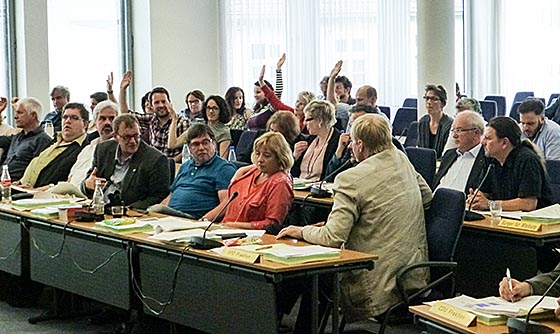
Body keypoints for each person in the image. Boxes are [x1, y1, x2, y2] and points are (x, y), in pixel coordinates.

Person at [277, 114, 432, 330]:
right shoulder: (400, 158)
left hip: (376, 278)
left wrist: (301, 231)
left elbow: (332, 238)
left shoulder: (350, 179)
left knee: (307, 273)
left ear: (359, 144)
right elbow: (427, 198)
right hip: (412, 271)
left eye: (351, 142)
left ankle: (282, 325)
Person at [149, 124, 236, 220]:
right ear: (189, 149)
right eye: (196, 144)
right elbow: (171, 196)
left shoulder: (224, 168)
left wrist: (203, 221)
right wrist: (156, 217)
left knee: (157, 209)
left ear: (214, 144)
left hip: (193, 220)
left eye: (206, 142)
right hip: (170, 218)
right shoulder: (185, 166)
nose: (201, 148)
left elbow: (227, 203)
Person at [82, 114, 169, 210]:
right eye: (127, 137)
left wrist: (128, 209)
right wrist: (87, 184)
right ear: (115, 137)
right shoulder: (103, 150)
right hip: (100, 208)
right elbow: (87, 183)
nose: (133, 141)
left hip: (130, 213)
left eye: (136, 136)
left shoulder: (155, 159)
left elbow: (158, 197)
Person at [467, 116, 553, 211]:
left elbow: (528, 204)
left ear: (504, 143)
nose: (483, 142)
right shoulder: (491, 159)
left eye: (488, 138)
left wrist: (490, 204)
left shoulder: (528, 160)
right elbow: (485, 191)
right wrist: (476, 198)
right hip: (501, 218)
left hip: (533, 221)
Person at [220, 132, 294, 233]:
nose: (260, 160)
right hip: (226, 229)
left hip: (250, 237)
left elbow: (272, 224)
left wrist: (235, 226)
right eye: (258, 154)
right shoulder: (254, 171)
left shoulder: (280, 183)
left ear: (280, 158)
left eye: (267, 156)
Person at [19, 103, 89, 188]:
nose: (68, 121)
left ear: (85, 124)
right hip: (21, 188)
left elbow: (69, 184)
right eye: (65, 117)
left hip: (42, 196)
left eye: (74, 118)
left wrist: (36, 190)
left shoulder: (84, 150)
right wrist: (18, 184)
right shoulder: (53, 141)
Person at [433, 111, 490, 193]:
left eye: (459, 130)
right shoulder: (449, 155)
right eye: (453, 130)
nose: (454, 135)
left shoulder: (486, 159)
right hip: (435, 202)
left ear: (476, 133)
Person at [67, 100, 118, 187]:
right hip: (69, 195)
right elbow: (70, 179)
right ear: (95, 123)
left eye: (112, 119)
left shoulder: (120, 150)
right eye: (102, 118)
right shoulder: (87, 149)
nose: (107, 123)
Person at [132, 86, 189, 162]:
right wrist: (122, 90)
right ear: (151, 106)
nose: (161, 105)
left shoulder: (182, 122)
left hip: (174, 165)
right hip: (153, 164)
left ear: (170, 103)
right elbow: (127, 113)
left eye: (164, 101)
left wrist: (170, 163)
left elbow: (187, 149)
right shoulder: (152, 119)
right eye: (156, 102)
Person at [0, 97, 52, 181]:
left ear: (33, 115)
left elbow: (36, 172)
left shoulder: (42, 140)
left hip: (17, 188)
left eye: (20, 113)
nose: (15, 116)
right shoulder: (16, 137)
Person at [291, 100, 340, 181]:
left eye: (307, 120)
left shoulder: (338, 142)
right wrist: (294, 157)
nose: (304, 123)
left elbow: (332, 174)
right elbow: (292, 172)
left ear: (320, 121)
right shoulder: (306, 140)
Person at [258, 65, 315, 132]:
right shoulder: (290, 113)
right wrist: (261, 82)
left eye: (301, 104)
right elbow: (275, 102)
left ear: (308, 107)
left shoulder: (311, 122)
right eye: (297, 101)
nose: (297, 105)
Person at [246, 54, 285, 131]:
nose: (255, 95)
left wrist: (278, 70)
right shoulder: (255, 110)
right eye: (254, 92)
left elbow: (278, 92)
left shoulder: (270, 108)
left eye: (258, 92)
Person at [418, 84, 454, 158]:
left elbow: (448, 154)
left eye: (434, 99)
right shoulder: (423, 122)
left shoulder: (450, 124)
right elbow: (421, 149)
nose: (429, 102)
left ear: (443, 103)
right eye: (427, 98)